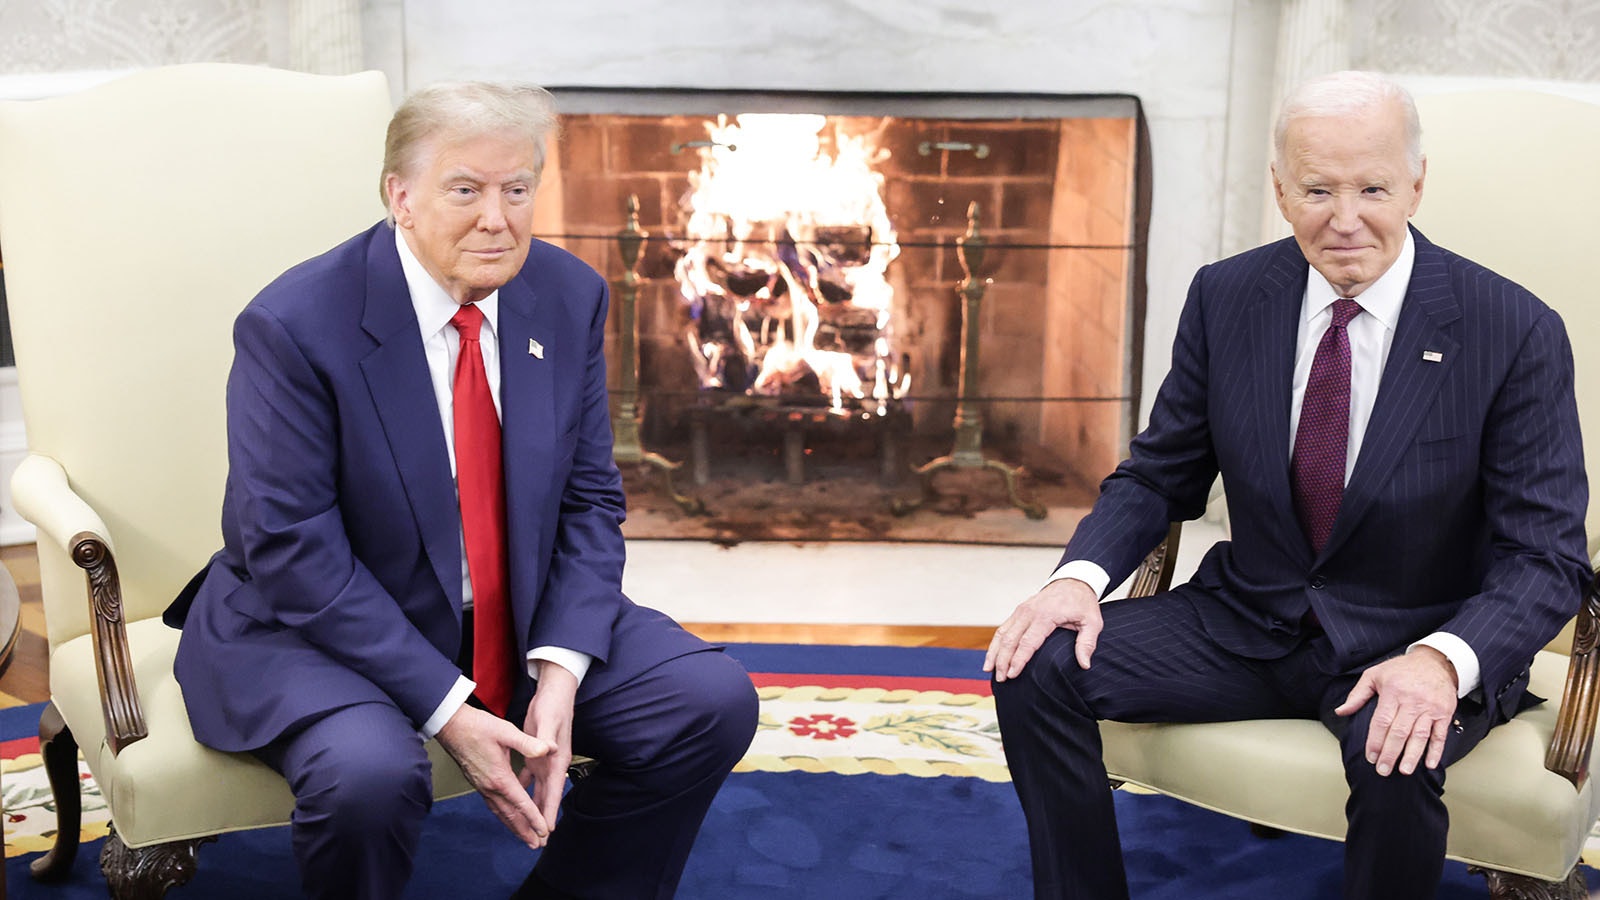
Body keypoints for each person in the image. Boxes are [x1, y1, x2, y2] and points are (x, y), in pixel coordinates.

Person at [984, 69, 1589, 899]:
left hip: (1411, 635)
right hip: (1247, 617)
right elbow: (1160, 473)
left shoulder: (1512, 330)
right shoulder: (1228, 296)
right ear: (1279, 189)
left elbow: (1545, 555)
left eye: (1372, 187)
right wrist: (1076, 580)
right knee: (1034, 664)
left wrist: (1445, 664)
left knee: (1397, 746)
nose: (1345, 220)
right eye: (1316, 189)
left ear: (1417, 183)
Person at [164, 81, 759, 900]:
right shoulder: (295, 325)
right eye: (466, 189)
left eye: (518, 189)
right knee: (369, 777)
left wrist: (559, 672)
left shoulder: (566, 294)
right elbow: (291, 549)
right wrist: (448, 708)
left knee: (708, 701)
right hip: (318, 628)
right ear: (399, 197)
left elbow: (590, 499)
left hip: (506, 612)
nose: (498, 218)